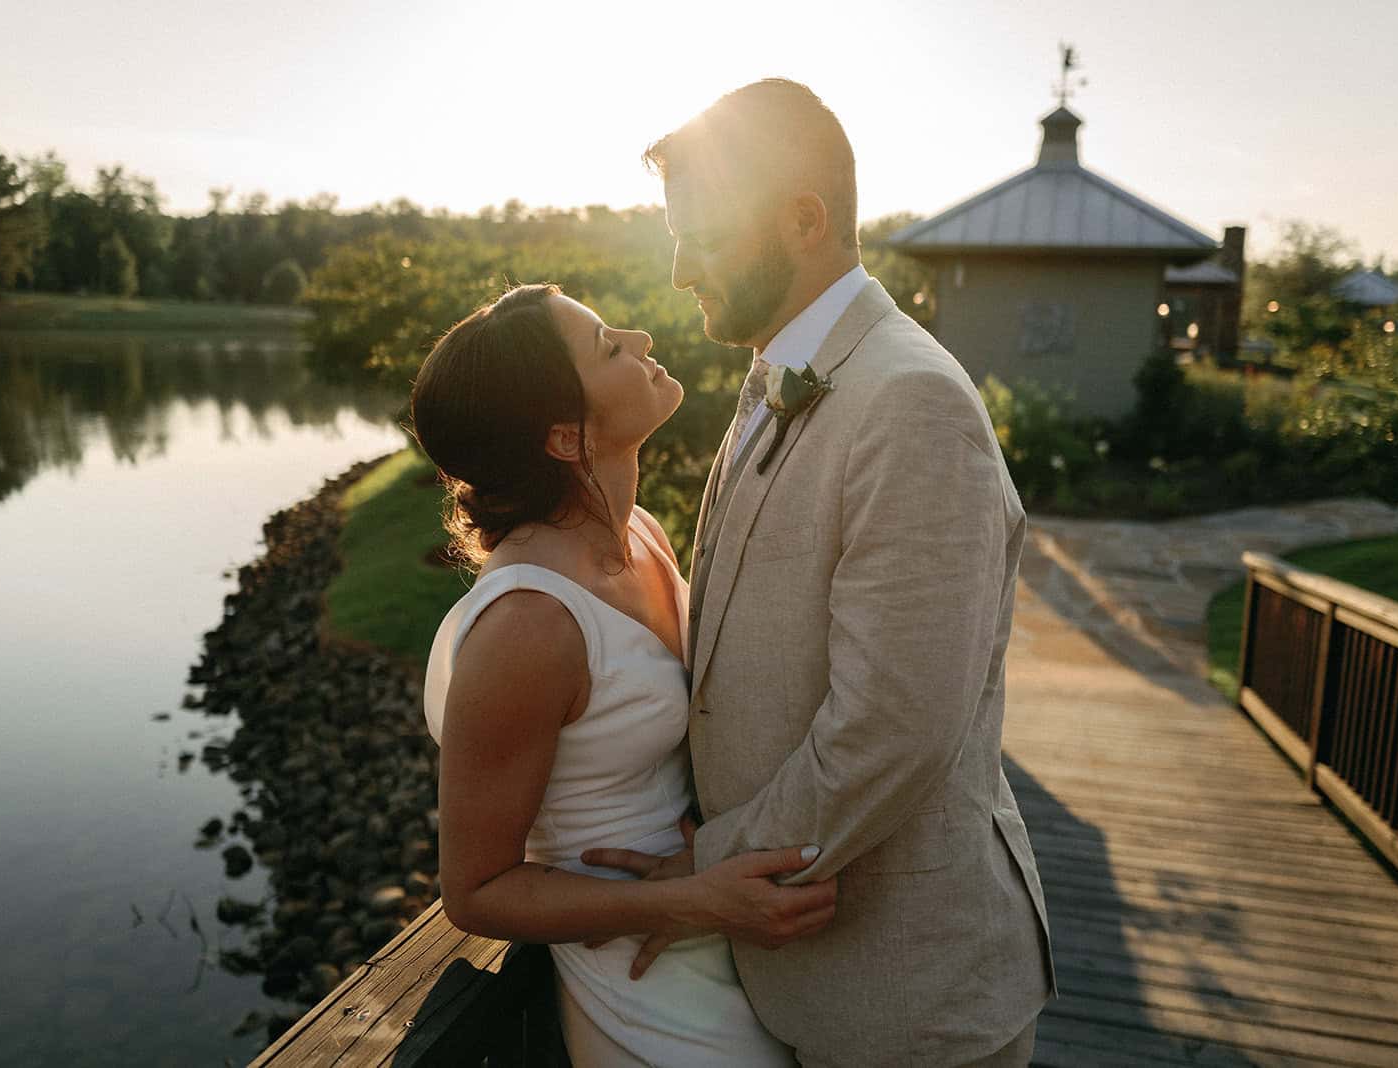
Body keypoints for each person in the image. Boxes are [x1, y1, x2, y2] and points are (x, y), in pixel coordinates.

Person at [583, 79, 1056, 1066]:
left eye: (702, 236)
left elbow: (891, 729)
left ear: (803, 221)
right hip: (803, 973)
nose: (677, 273)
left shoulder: (911, 403)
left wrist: (700, 872)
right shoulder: (780, 375)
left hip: (906, 998)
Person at [413, 282, 839, 1066]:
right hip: (640, 975)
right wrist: (687, 903)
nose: (641, 338)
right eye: (609, 345)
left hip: (719, 920)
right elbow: (474, 891)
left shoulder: (639, 534)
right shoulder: (528, 627)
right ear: (566, 440)